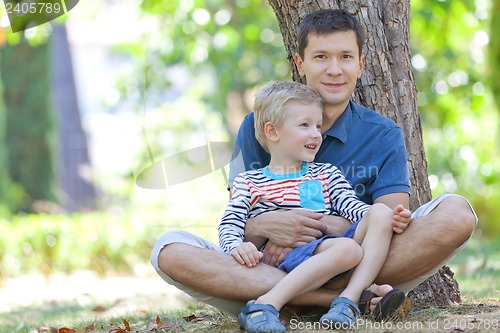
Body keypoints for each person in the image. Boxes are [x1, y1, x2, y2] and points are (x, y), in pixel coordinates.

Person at [151, 8, 477, 323]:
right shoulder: (260, 124)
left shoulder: (383, 133)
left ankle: (288, 299)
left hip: (352, 256)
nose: (334, 69)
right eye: (321, 57)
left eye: (345, 57)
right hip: (271, 264)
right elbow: (239, 221)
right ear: (300, 62)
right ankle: (347, 300)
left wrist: (317, 227)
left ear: (361, 64)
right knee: (168, 251)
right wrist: (267, 226)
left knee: (457, 214)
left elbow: (387, 225)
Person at [219, 80, 411, 332]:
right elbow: (230, 222)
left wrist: (388, 219)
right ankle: (265, 305)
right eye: (304, 125)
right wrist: (236, 246)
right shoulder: (250, 182)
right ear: (273, 131)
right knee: (347, 250)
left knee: (379, 214)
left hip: (328, 251)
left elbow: (353, 209)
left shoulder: (326, 174)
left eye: (318, 126)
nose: (315, 134)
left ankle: (347, 302)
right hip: (285, 259)